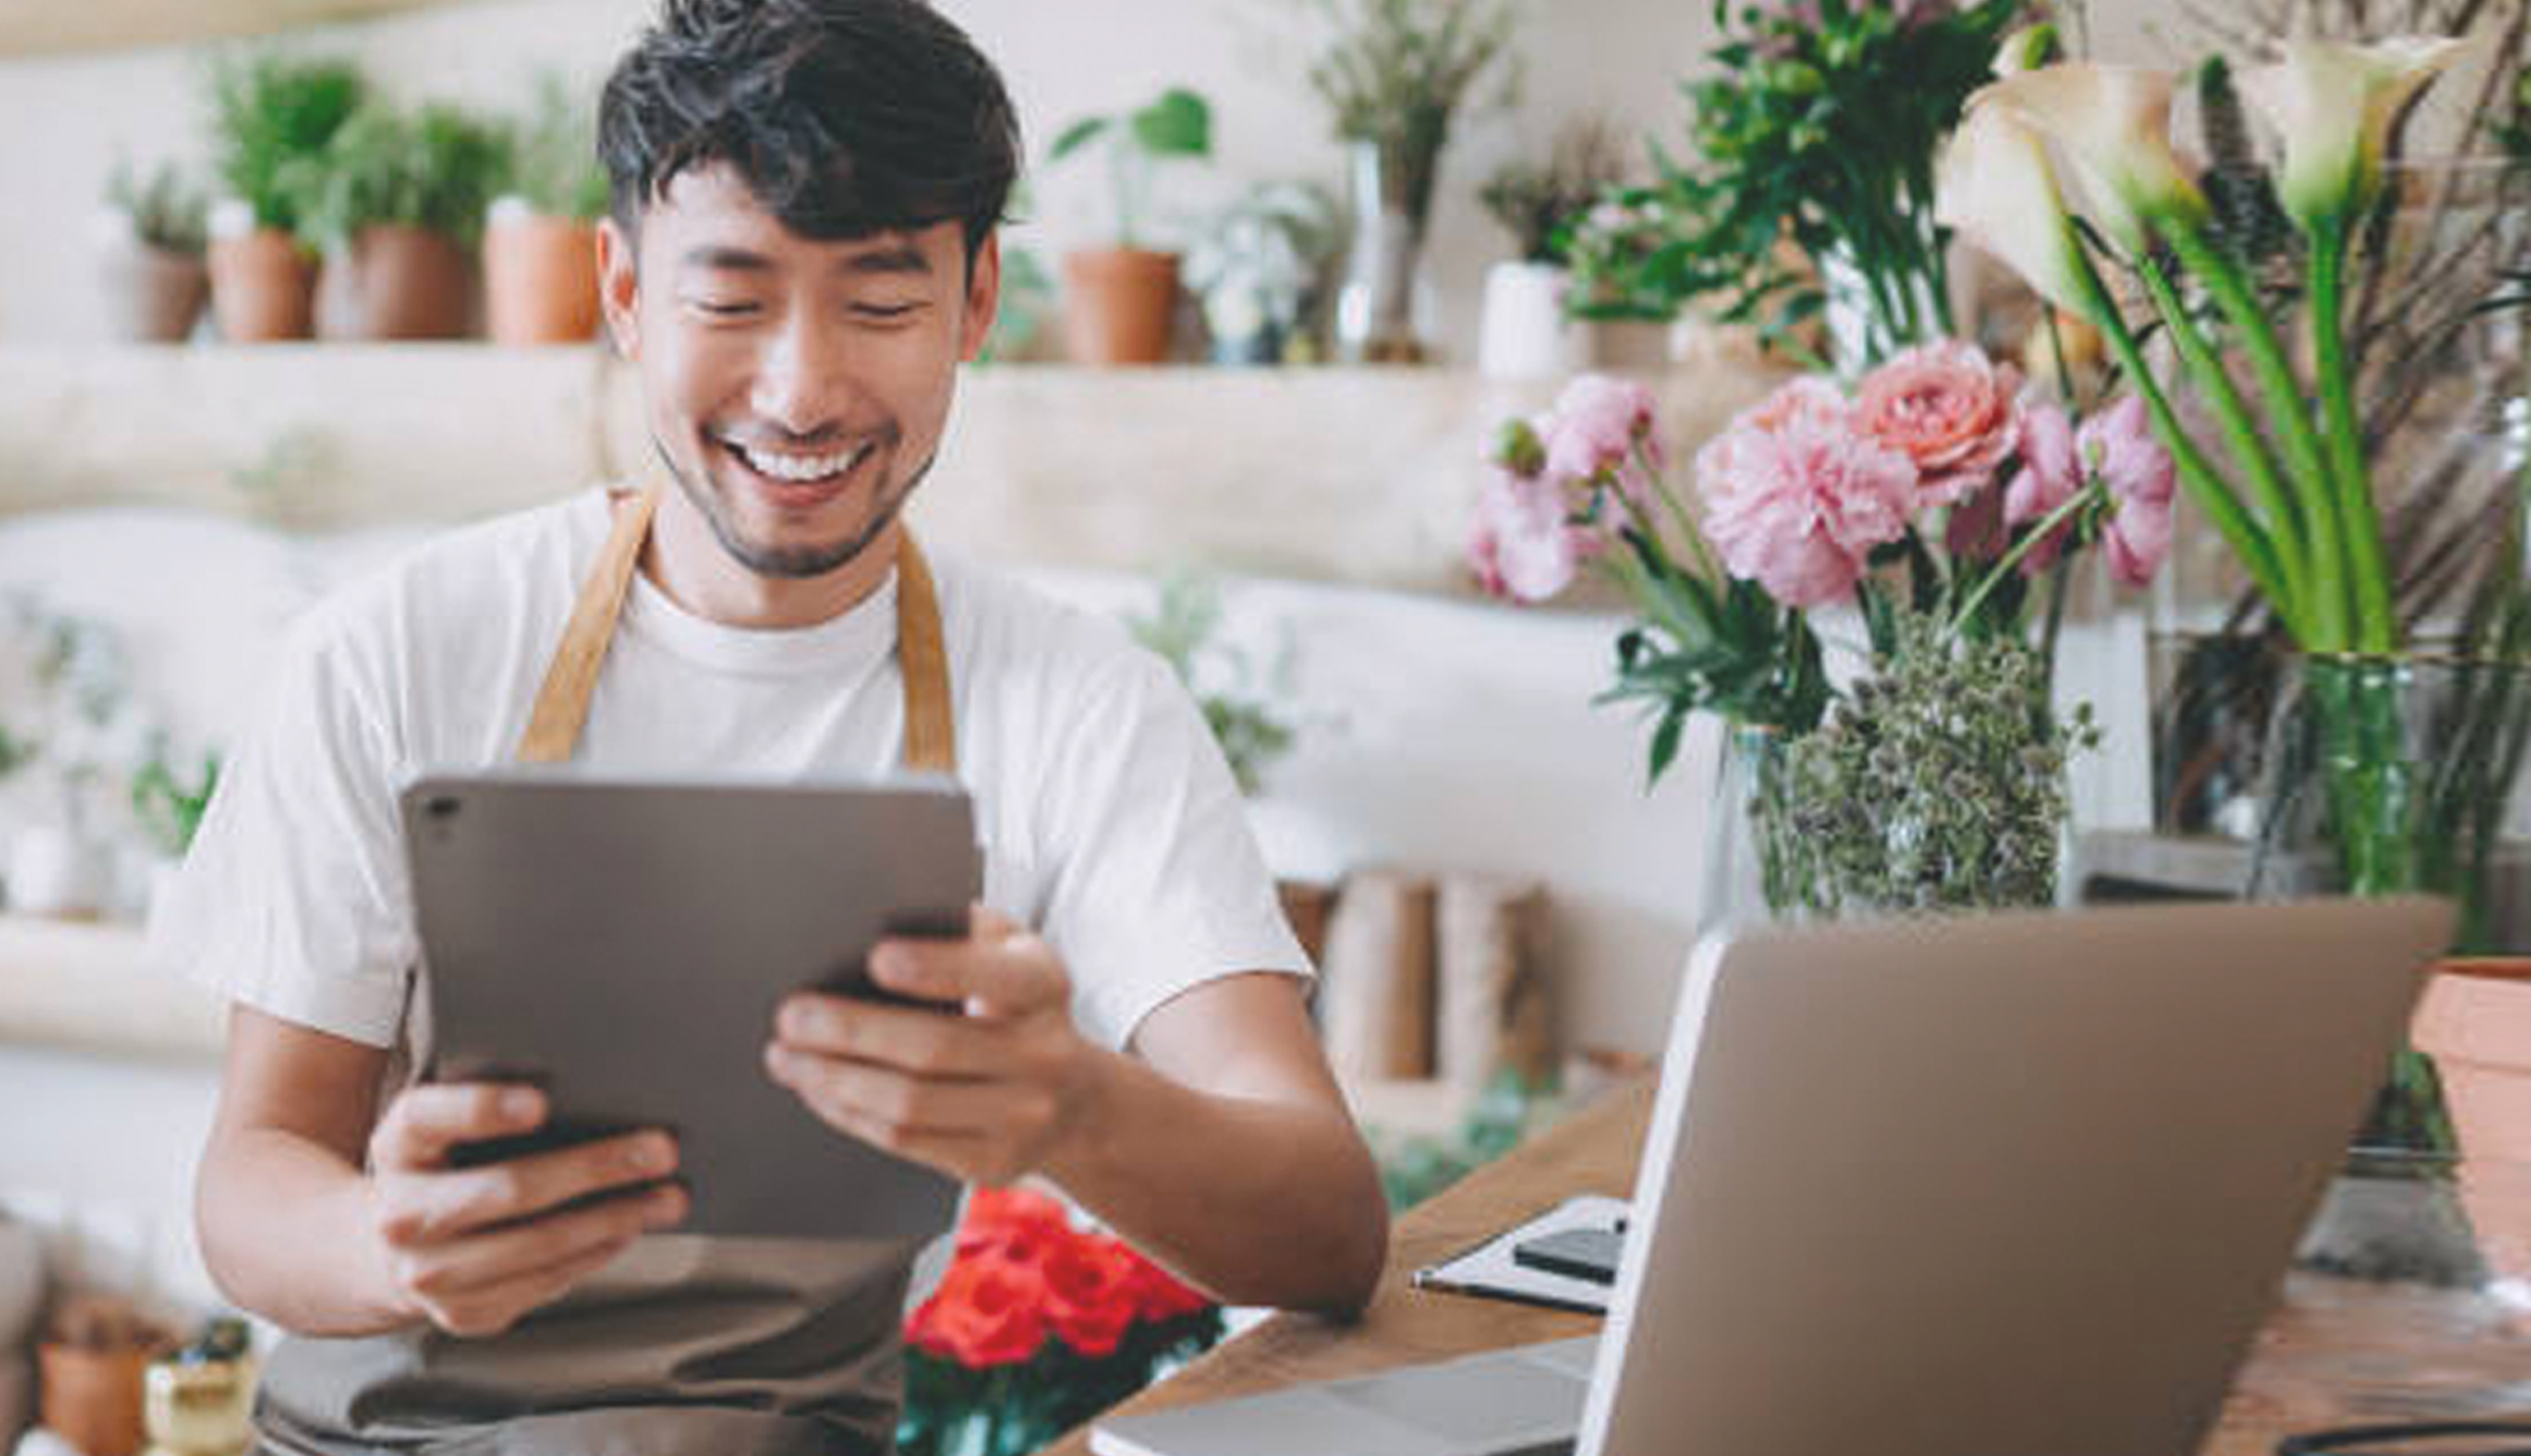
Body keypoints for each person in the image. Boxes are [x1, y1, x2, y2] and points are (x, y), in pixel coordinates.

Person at [160, 3, 1389, 1451]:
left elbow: (1329, 1225)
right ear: (620, 290)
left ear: (979, 299)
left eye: (879, 304)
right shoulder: (395, 653)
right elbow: (252, 1177)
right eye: (731, 301)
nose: (802, 391)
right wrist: (387, 1243)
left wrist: (1073, 1110)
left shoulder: (1081, 706)